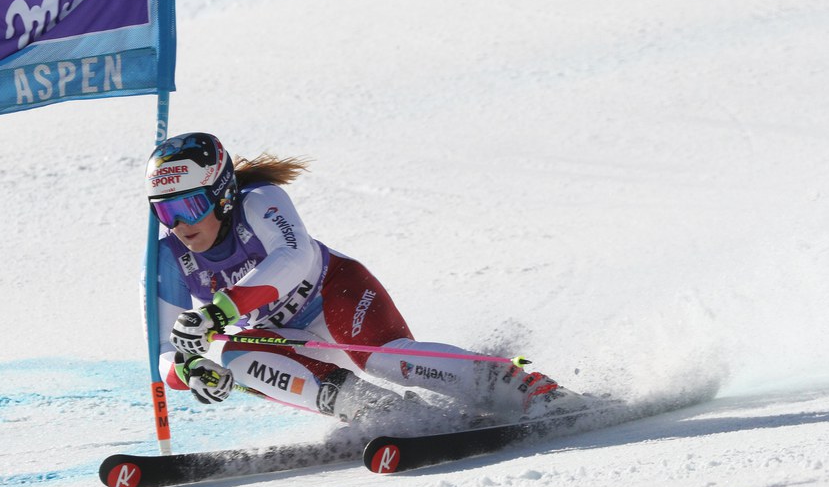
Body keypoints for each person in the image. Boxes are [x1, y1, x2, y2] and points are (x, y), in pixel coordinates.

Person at [147, 132, 585, 433]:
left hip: (333, 293)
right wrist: (191, 370)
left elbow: (294, 257)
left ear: (222, 192)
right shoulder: (169, 256)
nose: (180, 224)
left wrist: (220, 311)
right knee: (236, 355)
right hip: (283, 334)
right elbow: (165, 354)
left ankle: (529, 387)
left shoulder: (261, 200)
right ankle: (387, 414)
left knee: (387, 360)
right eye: (165, 212)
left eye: (189, 206)